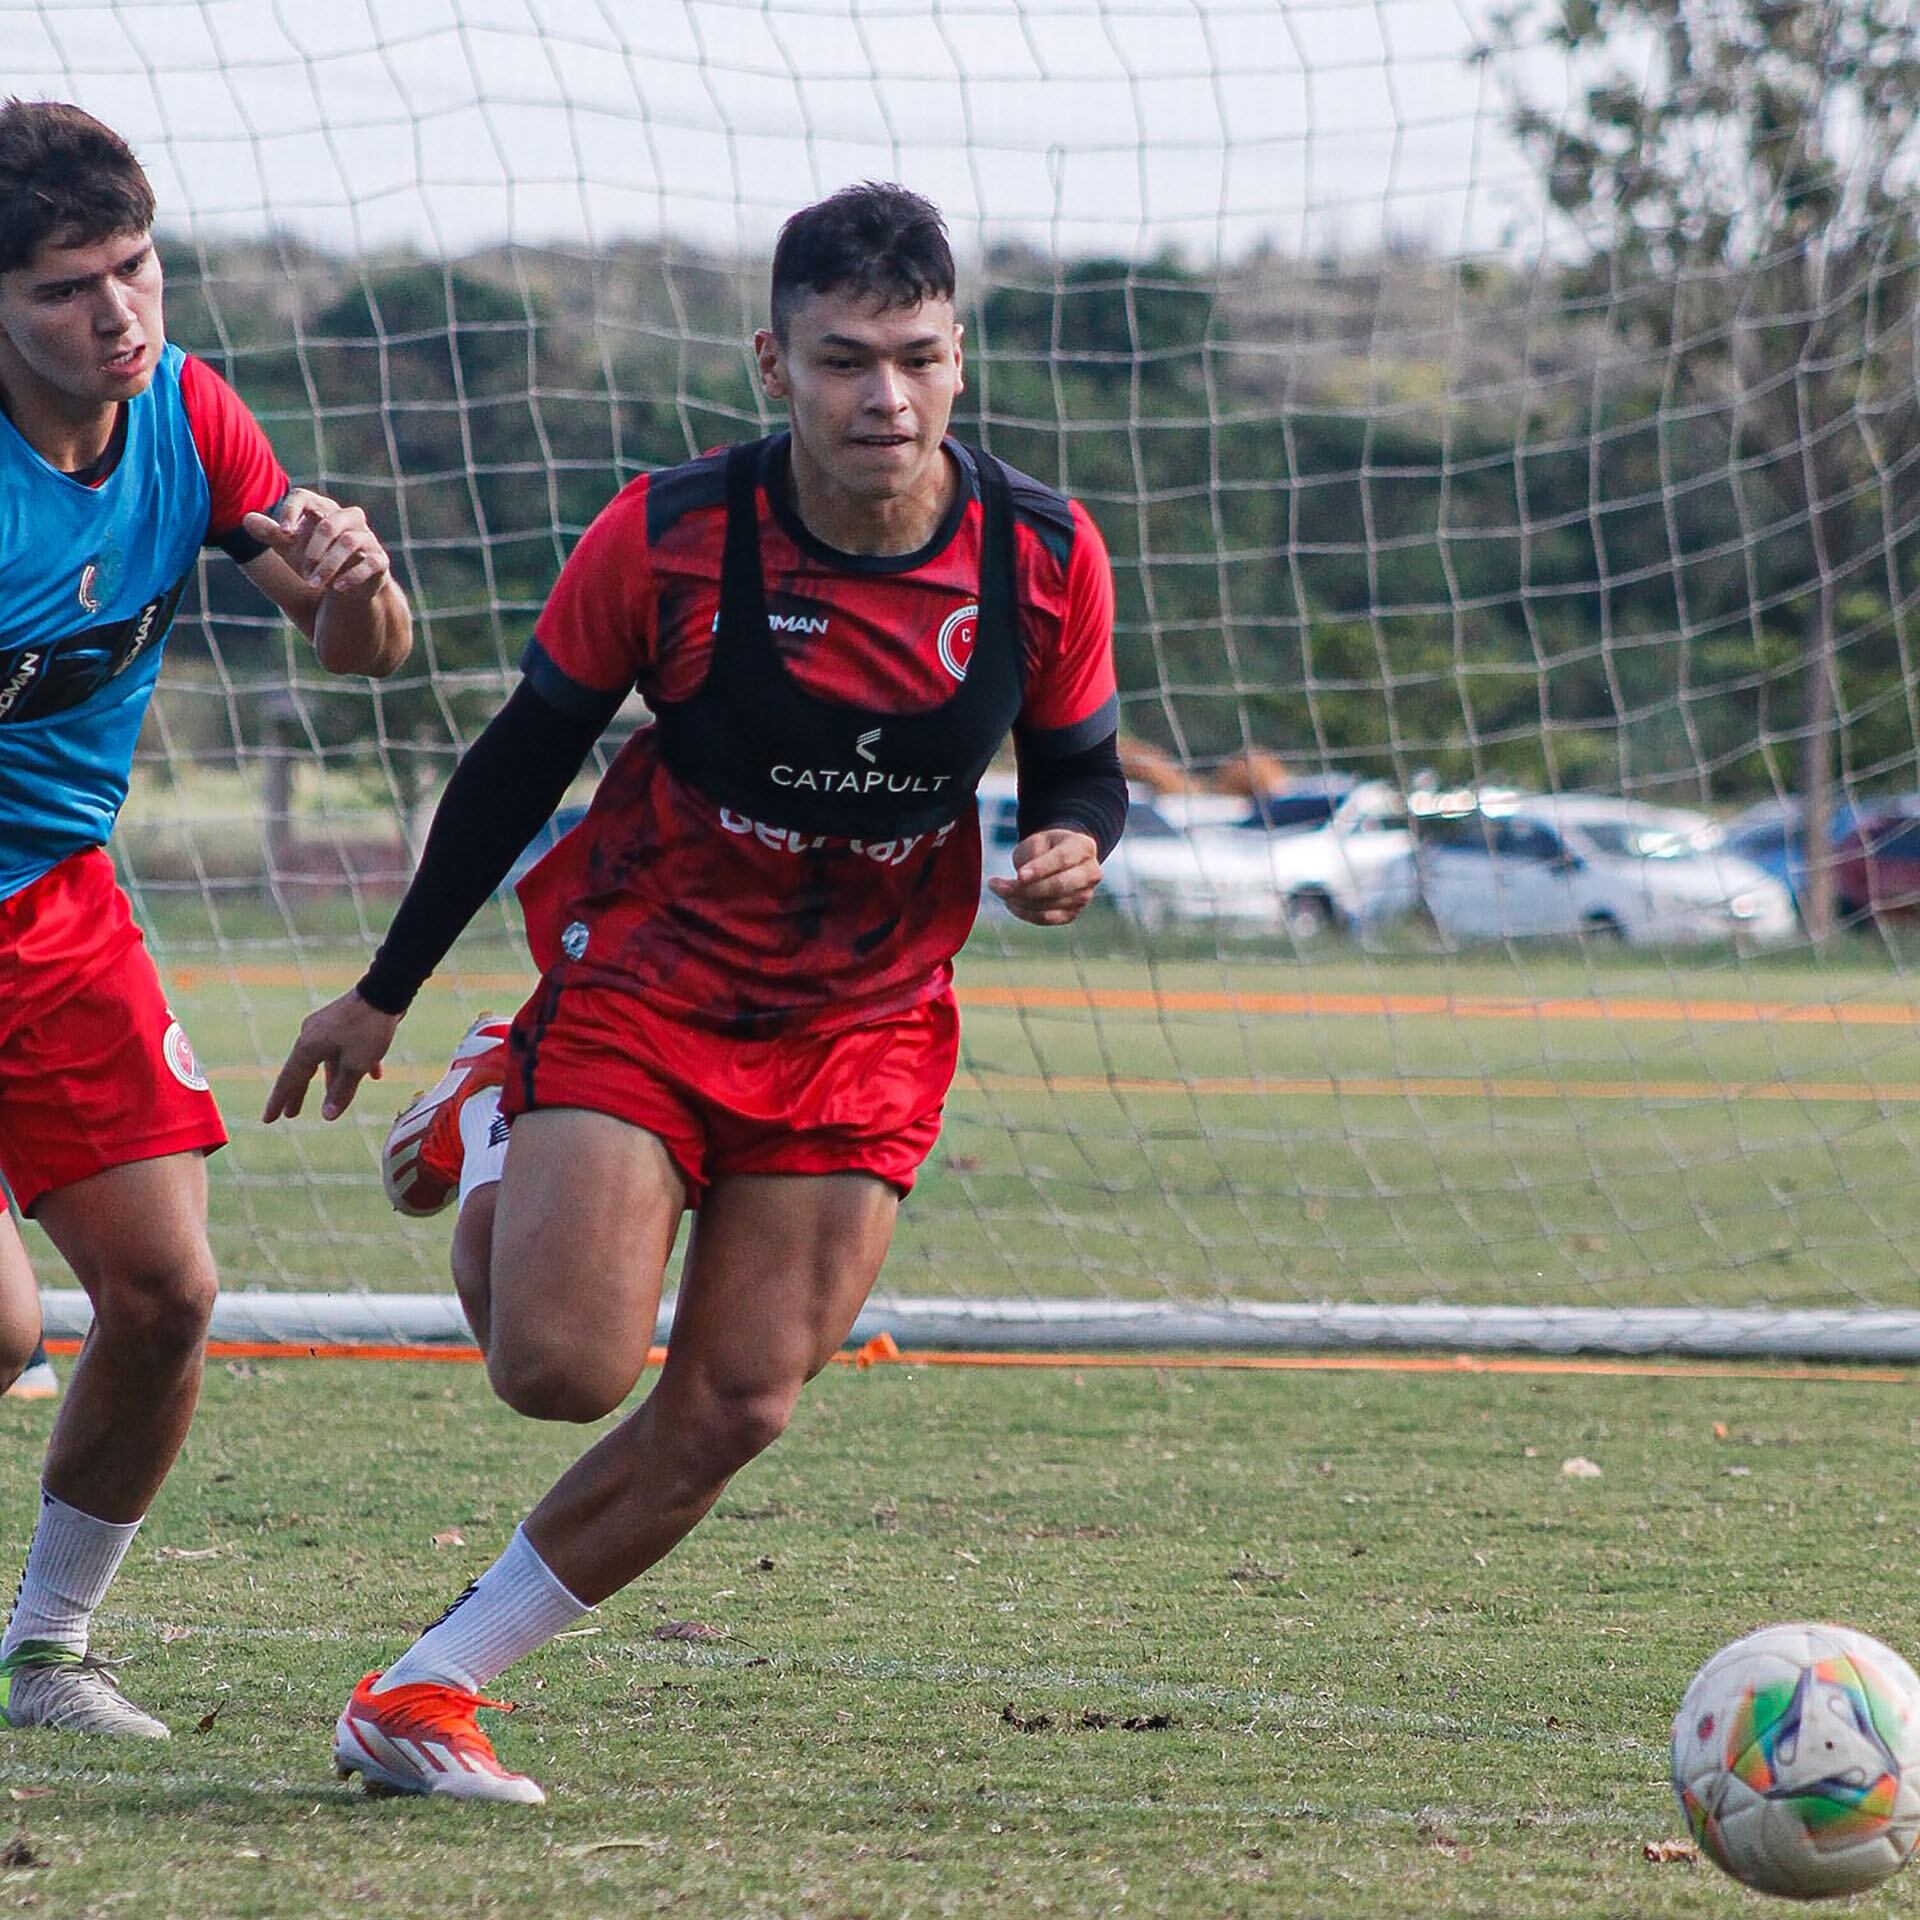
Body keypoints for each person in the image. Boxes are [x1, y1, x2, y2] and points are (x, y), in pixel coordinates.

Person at [266, 181, 1124, 1805]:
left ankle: (426, 1693)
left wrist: (1074, 841)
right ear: (772, 364)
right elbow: (521, 759)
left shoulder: (1040, 551)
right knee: (560, 1372)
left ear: (961, 362)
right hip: (652, 970)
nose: (884, 397)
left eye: (919, 359)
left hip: (867, 1015)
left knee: (738, 1399)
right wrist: (384, 989)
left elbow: (1080, 766)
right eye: (844, 360)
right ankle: (497, 1094)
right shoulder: (669, 535)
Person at [0, 101, 412, 1738]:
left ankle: (44, 1655)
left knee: (165, 1297)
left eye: (137, 269)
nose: (118, 315)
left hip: (54, 909)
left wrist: (356, 574)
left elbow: (363, 653)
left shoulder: (188, 416)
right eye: (65, 290)